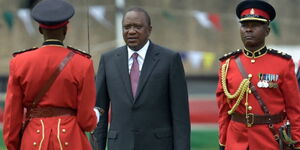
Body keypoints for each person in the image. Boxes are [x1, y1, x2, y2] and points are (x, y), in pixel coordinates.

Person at [3, 0, 101, 149]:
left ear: (41, 30)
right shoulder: (83, 63)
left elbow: (12, 118)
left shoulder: (19, 62)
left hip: (33, 140)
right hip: (71, 140)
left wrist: (14, 145)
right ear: (65, 29)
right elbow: (86, 121)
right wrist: (96, 115)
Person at [94, 7, 190, 150]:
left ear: (149, 30)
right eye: (127, 27)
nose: (131, 31)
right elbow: (99, 114)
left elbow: (180, 117)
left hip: (158, 145)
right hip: (119, 145)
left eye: (138, 27)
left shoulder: (169, 60)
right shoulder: (108, 60)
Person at [216, 0, 300, 150]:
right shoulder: (227, 64)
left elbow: (294, 110)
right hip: (236, 142)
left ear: (267, 31)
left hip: (270, 141)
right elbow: (223, 111)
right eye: (244, 25)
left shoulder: (283, 63)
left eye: (254, 25)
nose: (248, 30)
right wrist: (223, 142)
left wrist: (297, 142)